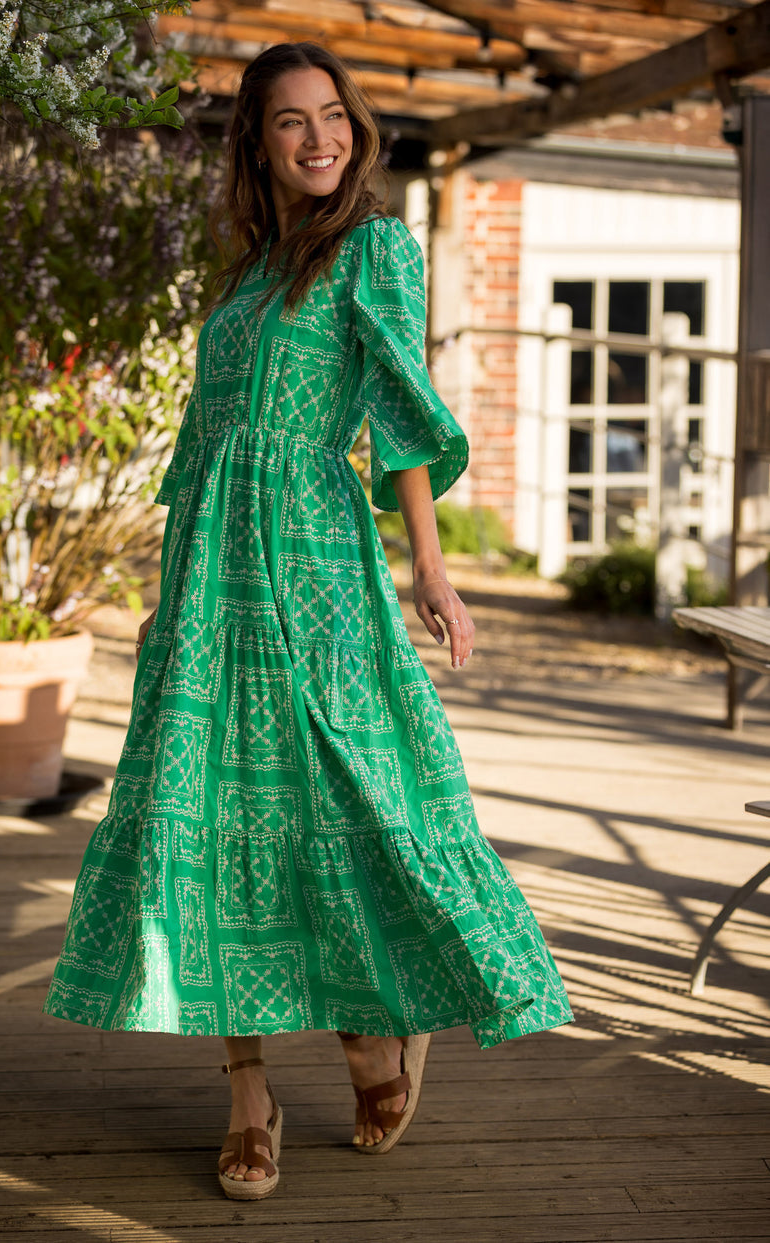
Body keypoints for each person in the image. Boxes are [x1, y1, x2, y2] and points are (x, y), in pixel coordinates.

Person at [43, 40, 573, 1202]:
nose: (318, 137)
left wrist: (429, 565)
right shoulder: (242, 280)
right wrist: (168, 582)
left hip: (318, 553)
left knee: (345, 792)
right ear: (257, 141)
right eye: (291, 120)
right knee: (214, 807)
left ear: (355, 127)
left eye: (332, 114)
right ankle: (248, 1095)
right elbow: (198, 444)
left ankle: (371, 1028)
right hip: (210, 570)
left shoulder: (374, 249)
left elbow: (400, 411)